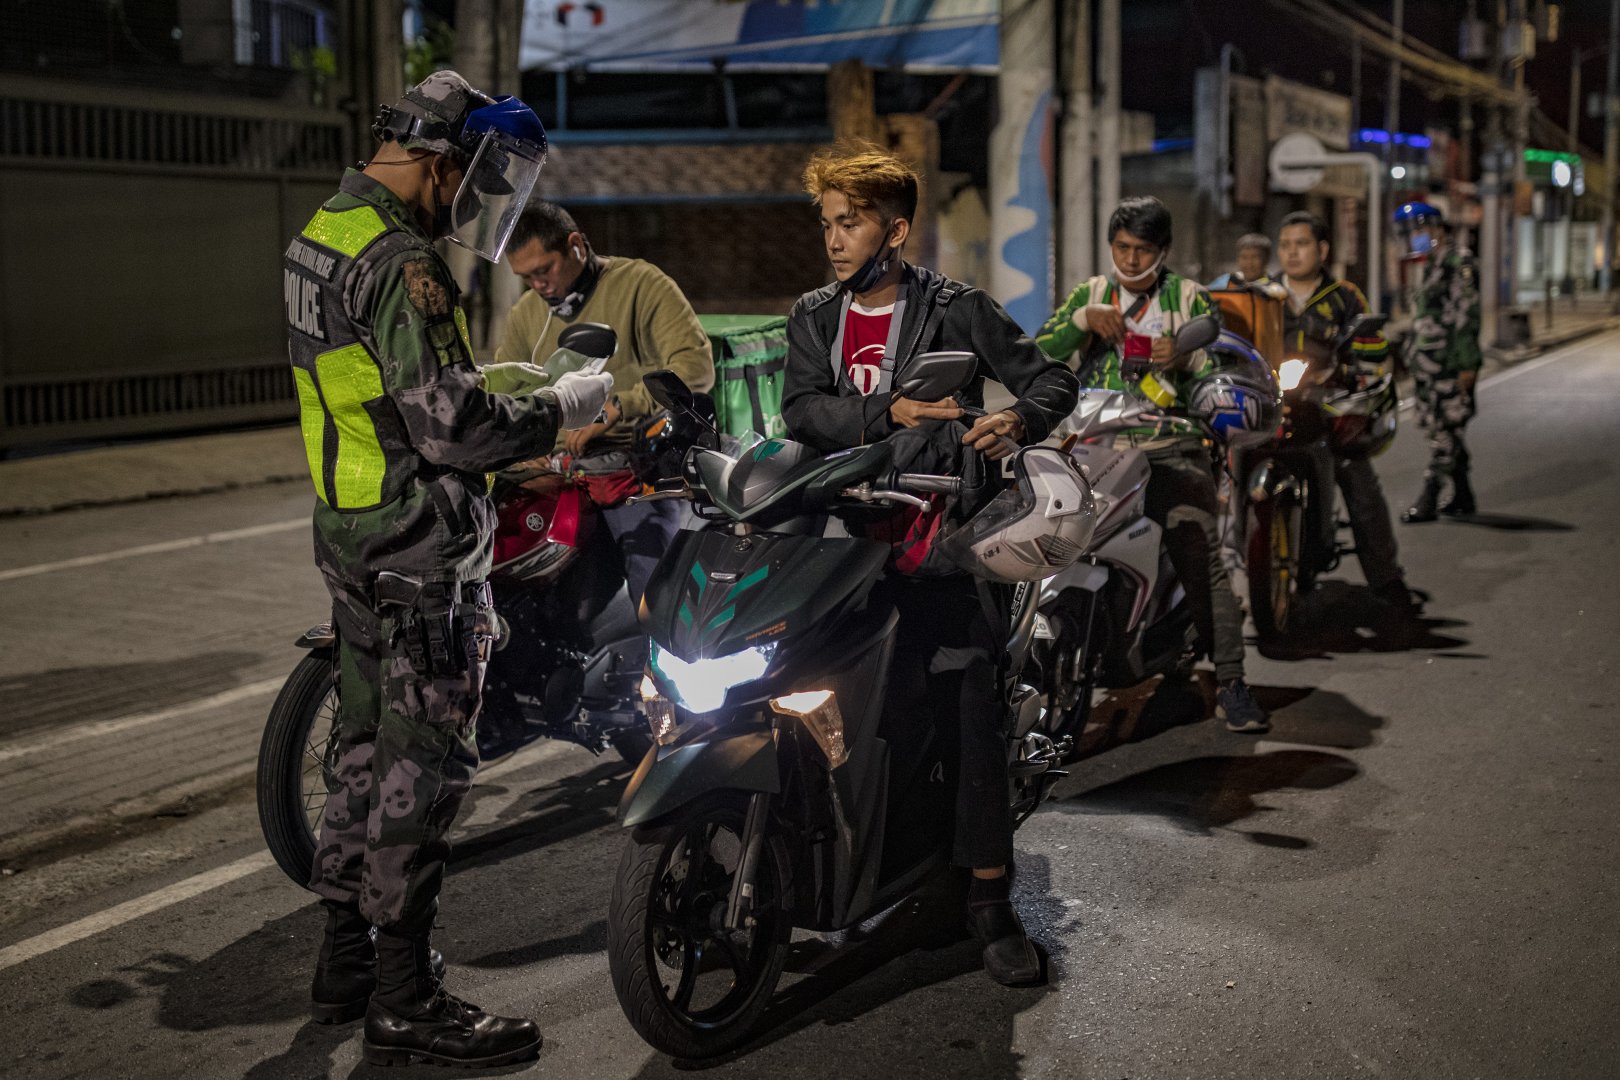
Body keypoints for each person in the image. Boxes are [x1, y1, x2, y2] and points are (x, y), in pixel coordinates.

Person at [285, 71, 612, 1068]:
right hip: (420, 549)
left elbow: (380, 394)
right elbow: (456, 426)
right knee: (420, 777)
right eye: (464, 183)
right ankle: (404, 995)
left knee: (357, 757)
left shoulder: (318, 236)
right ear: (438, 161)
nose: (462, 205)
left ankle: (343, 966)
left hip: (349, 531)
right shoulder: (399, 263)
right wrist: (565, 406)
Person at [781, 143, 1077, 987]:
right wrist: (888, 411)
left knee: (968, 708)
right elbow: (800, 410)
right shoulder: (812, 315)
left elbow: (1050, 380)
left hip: (943, 545)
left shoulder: (957, 308)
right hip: (841, 548)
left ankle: (991, 901)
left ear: (896, 229)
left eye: (852, 223)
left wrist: (1015, 424)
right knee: (842, 711)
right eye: (828, 223)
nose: (835, 240)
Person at [1037, 196, 1269, 734]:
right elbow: (1043, 350)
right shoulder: (1091, 294)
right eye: (1123, 247)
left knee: (1197, 544)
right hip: (1092, 440)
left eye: (1143, 249)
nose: (1132, 259)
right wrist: (1080, 320)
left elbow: (1214, 360)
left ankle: (1232, 681)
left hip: (1169, 444)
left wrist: (1183, 357)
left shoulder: (1189, 299)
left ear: (1162, 251)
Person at [495, 200, 714, 604]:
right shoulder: (526, 314)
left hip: (630, 470)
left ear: (576, 245)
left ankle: (661, 662)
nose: (538, 286)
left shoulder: (641, 284)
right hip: (554, 477)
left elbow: (694, 366)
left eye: (544, 271)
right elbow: (505, 395)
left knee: (656, 594)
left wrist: (615, 408)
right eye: (526, 278)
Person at [1269, 211, 1416, 610]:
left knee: (1358, 477)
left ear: (1322, 249)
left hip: (1327, 405)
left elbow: (1372, 351)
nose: (1291, 253)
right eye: (1285, 245)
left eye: (1300, 244)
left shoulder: (1346, 297)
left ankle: (1386, 577)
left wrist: (1345, 372)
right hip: (1271, 404)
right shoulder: (1264, 295)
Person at [1393, 202, 1482, 522]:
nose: (1414, 238)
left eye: (1418, 230)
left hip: (1449, 364)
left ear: (1436, 229)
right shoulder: (1430, 264)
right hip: (1427, 364)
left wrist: (1467, 366)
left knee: (1447, 429)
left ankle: (1429, 496)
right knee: (1442, 425)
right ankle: (1463, 494)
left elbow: (1466, 316)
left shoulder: (1459, 262)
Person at [1208, 233, 1273, 289]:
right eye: (1244, 257)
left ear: (1266, 260)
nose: (1249, 263)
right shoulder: (1225, 281)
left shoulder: (1274, 289)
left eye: (1254, 257)